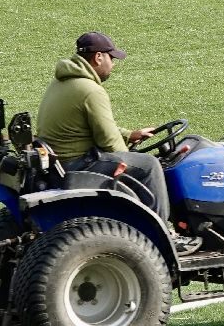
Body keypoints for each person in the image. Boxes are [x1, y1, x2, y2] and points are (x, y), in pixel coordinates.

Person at [35, 31, 173, 224]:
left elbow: (93, 127)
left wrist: (129, 135)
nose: (113, 64)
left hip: (58, 163)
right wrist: (129, 157)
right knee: (150, 165)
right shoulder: (91, 91)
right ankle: (163, 231)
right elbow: (109, 142)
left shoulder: (60, 83)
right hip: (77, 164)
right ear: (98, 57)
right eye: (112, 58)